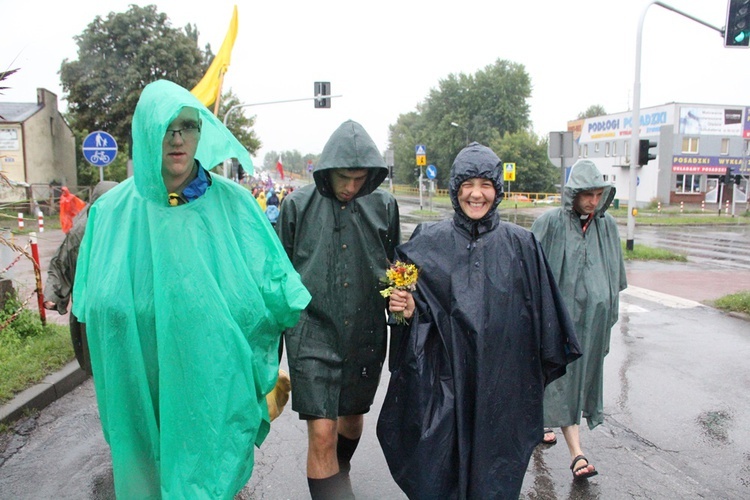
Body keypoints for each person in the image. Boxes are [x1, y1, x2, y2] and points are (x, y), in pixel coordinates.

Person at [71, 80, 311, 498]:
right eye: (166, 127)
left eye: (188, 126)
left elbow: (280, 297)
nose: (178, 138)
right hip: (139, 388)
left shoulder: (236, 207)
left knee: (205, 482)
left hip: (210, 386)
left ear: (202, 133)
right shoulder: (110, 214)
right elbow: (91, 305)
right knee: (147, 480)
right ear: (146, 133)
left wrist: (247, 356)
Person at [376, 142, 581, 499]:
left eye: (485, 184)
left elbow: (545, 323)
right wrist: (406, 311)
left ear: (498, 190)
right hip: (442, 387)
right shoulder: (427, 243)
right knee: (439, 470)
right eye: (467, 184)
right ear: (455, 189)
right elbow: (408, 312)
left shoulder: (523, 246)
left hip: (500, 389)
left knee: (493, 475)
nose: (476, 194)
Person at [276, 119, 401, 499]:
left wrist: (401, 306)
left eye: (359, 178)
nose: (350, 187)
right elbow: (277, 277)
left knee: (350, 421)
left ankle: (338, 470)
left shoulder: (384, 206)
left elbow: (397, 267)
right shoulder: (296, 206)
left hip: (364, 332)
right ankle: (333, 488)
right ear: (327, 171)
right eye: (344, 177)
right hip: (311, 332)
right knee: (323, 432)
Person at [530, 159, 627, 480]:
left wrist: (608, 310)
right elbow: (528, 272)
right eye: (588, 194)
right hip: (557, 326)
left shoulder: (607, 226)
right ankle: (577, 454)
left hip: (592, 327)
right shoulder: (551, 223)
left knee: (574, 382)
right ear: (573, 193)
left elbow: (616, 275)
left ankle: (540, 421)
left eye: (599, 194)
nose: (593, 202)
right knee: (560, 380)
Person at [43, 181, 118, 374]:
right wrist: (53, 294)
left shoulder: (127, 224)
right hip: (89, 302)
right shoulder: (82, 230)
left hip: (119, 301)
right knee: (95, 357)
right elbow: (62, 261)